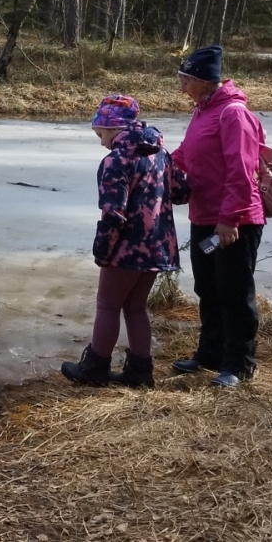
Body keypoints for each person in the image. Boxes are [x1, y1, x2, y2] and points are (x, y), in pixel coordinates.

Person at [61, 95, 189, 388]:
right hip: (159, 246)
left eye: (101, 134)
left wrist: (103, 249)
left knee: (107, 304)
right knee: (135, 307)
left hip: (127, 247)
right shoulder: (161, 154)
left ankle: (95, 368)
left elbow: (113, 213)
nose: (101, 142)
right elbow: (182, 192)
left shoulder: (116, 161)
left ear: (114, 128)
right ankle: (140, 373)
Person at [170, 45, 267, 388]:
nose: (181, 86)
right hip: (204, 217)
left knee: (234, 291)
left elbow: (242, 170)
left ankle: (239, 364)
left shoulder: (233, 114)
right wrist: (159, 167)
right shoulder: (202, 110)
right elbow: (187, 153)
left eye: (185, 79)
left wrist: (229, 219)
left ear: (202, 80)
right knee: (207, 287)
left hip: (234, 223)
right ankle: (209, 354)